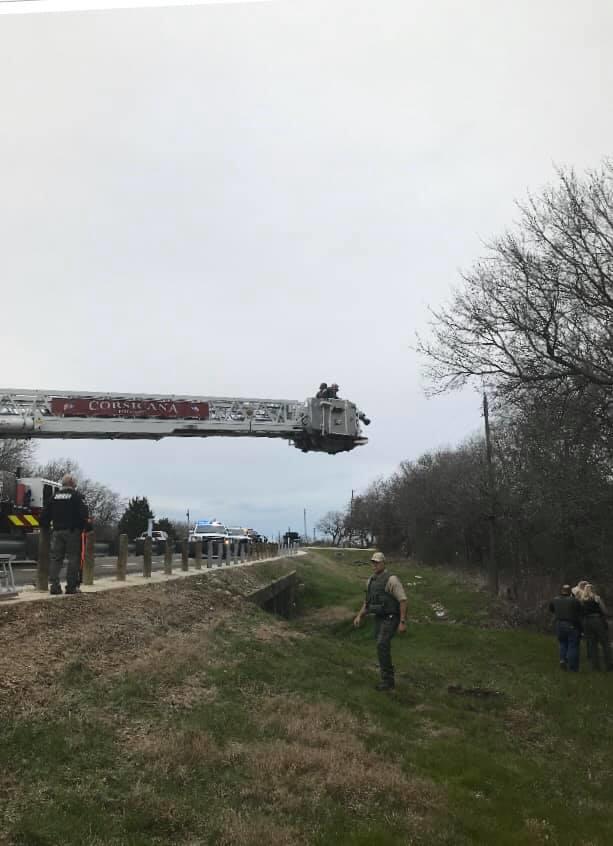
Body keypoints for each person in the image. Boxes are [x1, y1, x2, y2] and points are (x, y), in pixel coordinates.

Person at [353, 552, 407, 690]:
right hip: (379, 618)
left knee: (382, 644)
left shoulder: (392, 580)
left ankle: (388, 682)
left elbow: (403, 600)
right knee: (381, 647)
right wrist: (360, 615)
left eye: (377, 562)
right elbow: (367, 602)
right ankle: (387, 675)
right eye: (373, 562)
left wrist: (402, 621)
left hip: (391, 617)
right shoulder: (370, 580)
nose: (375, 565)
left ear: (383, 563)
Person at [39, 474, 90, 595]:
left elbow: (44, 515)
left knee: (56, 559)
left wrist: (45, 526)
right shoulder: (77, 496)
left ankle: (54, 586)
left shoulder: (54, 496)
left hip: (57, 532)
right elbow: (84, 515)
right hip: (73, 532)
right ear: (72, 483)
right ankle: (71, 587)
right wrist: (87, 528)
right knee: (73, 559)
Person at [548, 584, 582, 671]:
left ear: (561, 591)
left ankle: (562, 660)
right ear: (570, 591)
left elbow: (551, 609)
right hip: (571, 624)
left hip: (559, 624)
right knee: (572, 645)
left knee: (562, 643)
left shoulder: (554, 599)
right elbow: (580, 612)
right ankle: (572, 667)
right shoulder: (574, 600)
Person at [580, 584, 612, 671]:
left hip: (586, 622)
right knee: (605, 643)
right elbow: (604, 610)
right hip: (596, 620)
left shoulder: (582, 600)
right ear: (593, 590)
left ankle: (595, 667)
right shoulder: (596, 598)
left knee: (592, 644)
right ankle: (609, 665)